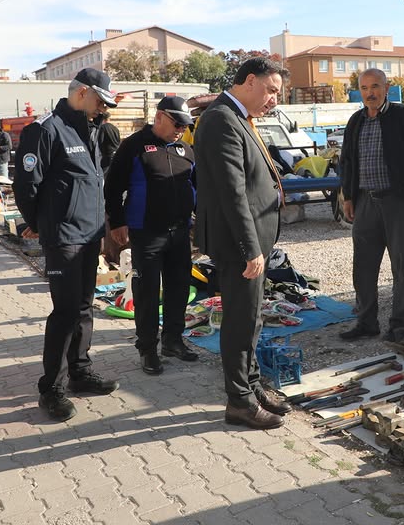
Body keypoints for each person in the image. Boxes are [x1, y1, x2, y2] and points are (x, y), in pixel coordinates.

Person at [13, 68, 121, 422]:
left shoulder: (88, 128)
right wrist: (37, 224)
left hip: (88, 234)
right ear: (82, 93)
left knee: (84, 307)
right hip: (64, 237)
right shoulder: (46, 129)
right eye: (99, 101)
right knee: (64, 312)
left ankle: (80, 371)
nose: (101, 109)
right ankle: (52, 388)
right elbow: (27, 185)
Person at [194, 57, 291, 430]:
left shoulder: (237, 117)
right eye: (270, 91)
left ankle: (251, 386)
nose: (274, 100)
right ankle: (239, 403)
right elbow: (232, 192)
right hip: (239, 245)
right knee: (239, 321)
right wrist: (251, 248)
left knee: (252, 318)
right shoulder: (221, 119)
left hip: (252, 241)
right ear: (250, 81)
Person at [338, 68, 404, 344]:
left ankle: (399, 327)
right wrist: (348, 197)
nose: (370, 93)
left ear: (386, 88)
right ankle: (367, 322)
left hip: (399, 201)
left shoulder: (402, 114)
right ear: (359, 91)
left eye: (375, 87)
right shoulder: (355, 120)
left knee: (403, 267)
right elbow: (346, 160)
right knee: (363, 267)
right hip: (365, 202)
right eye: (365, 88)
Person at [104, 96, 198, 376]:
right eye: (177, 124)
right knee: (146, 293)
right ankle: (147, 349)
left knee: (179, 288)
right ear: (160, 117)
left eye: (185, 125)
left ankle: (173, 341)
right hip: (146, 232)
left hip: (180, 231)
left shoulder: (186, 150)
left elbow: (197, 187)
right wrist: (117, 222)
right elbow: (112, 187)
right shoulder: (133, 146)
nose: (181, 129)